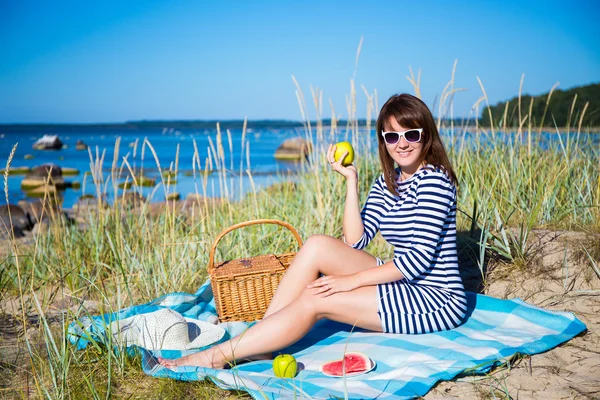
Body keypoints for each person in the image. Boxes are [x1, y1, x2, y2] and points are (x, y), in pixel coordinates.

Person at [159, 93, 467, 369]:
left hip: (434, 298)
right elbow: (356, 240)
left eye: (410, 134)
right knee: (318, 245)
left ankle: (213, 357)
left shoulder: (435, 182)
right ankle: (263, 342)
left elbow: (417, 261)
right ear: (382, 141)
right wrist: (351, 182)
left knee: (316, 299)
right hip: (404, 283)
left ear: (426, 136)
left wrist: (349, 282)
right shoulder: (388, 182)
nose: (401, 143)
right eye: (391, 136)